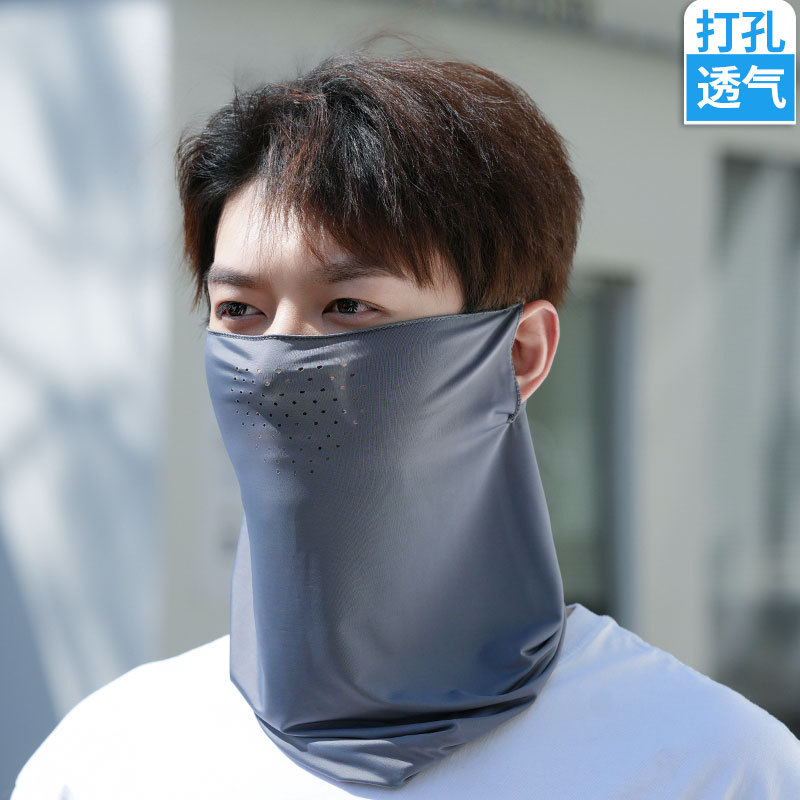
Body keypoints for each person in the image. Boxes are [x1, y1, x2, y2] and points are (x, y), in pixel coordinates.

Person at [12, 44, 800, 799]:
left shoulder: (712, 767)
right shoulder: (108, 763)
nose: (279, 361)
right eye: (240, 311)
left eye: (349, 306)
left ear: (518, 353)